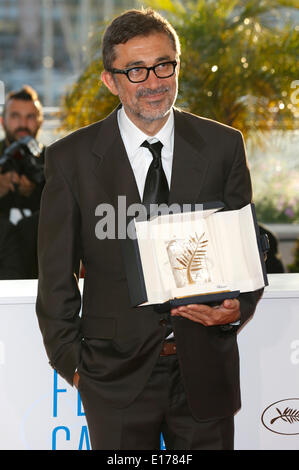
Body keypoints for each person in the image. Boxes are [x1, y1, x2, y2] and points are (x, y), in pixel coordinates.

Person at [36, 8, 263, 450]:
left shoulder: (222, 146)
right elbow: (55, 277)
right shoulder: (71, 160)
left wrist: (237, 308)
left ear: (177, 64)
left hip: (205, 374)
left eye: (164, 65)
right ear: (110, 80)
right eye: (135, 70)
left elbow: (248, 250)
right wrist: (77, 368)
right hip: (113, 380)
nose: (154, 81)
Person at [0, 85, 44, 220]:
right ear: (2, 121)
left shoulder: (55, 161)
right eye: (15, 116)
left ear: (40, 122)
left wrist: (37, 193)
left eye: (30, 116)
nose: (23, 124)